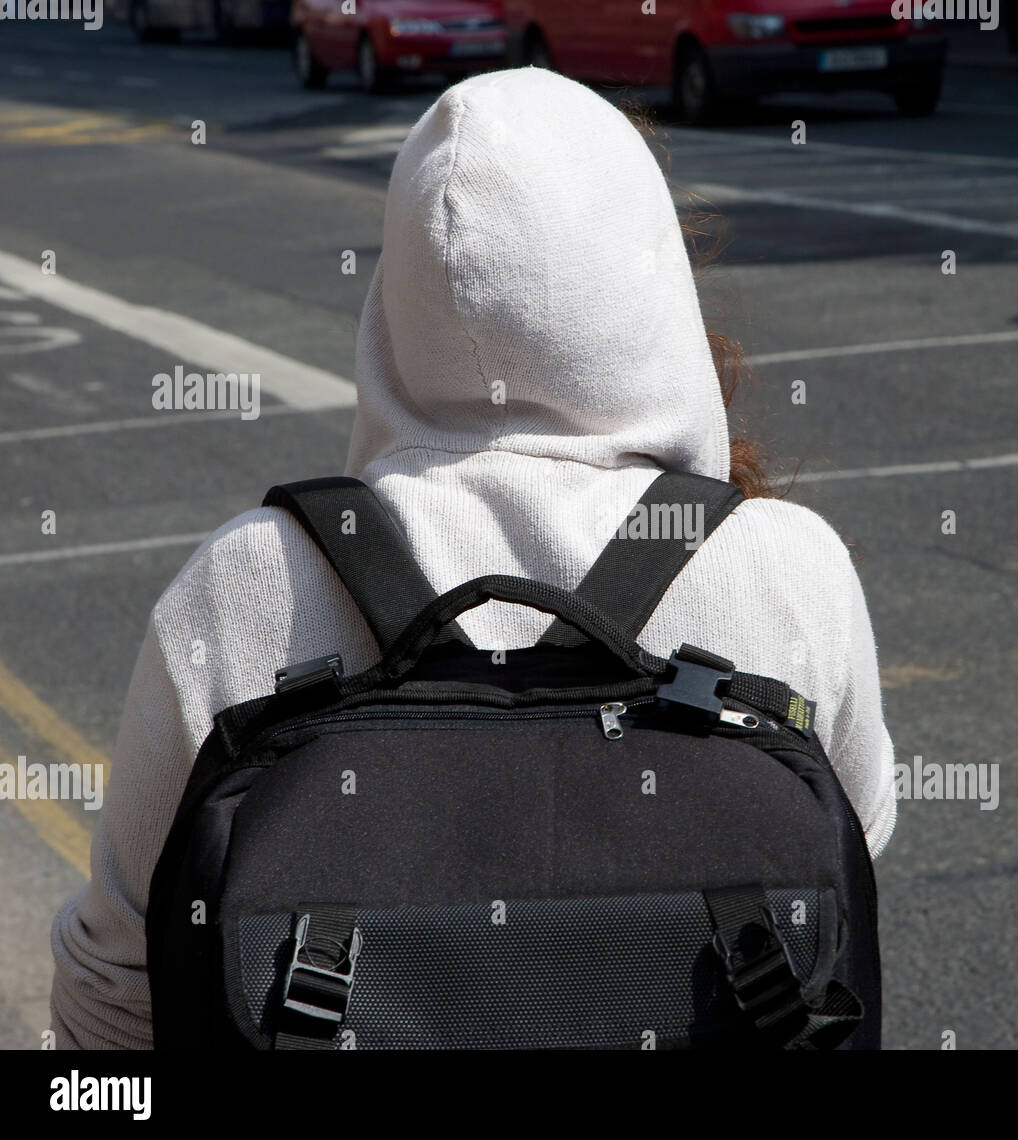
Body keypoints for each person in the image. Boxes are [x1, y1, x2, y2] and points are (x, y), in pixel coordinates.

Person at [47, 66, 897, 1048]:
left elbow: (116, 981)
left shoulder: (245, 585)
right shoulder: (790, 570)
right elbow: (847, 891)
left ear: (396, 295)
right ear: (649, 279)